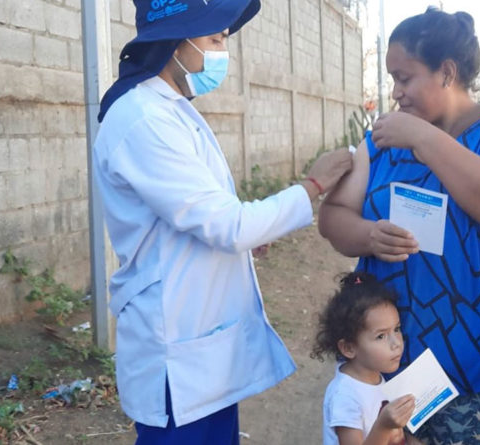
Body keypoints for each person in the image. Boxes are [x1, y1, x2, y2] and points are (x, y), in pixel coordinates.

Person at [92, 1, 352, 443]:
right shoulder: (143, 119)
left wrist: (251, 233)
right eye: (214, 39)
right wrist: (313, 184)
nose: (221, 52)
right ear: (174, 41)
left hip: (202, 350)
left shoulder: (170, 109)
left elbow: (203, 214)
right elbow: (226, 225)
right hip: (176, 355)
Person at [318, 7, 480, 443]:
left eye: (404, 78)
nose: (395, 93)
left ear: (446, 72)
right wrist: (368, 234)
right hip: (397, 360)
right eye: (392, 79)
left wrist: (424, 139)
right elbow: (333, 219)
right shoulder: (383, 138)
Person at [313, 272, 415, 445]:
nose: (396, 343)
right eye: (381, 336)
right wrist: (383, 426)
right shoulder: (345, 396)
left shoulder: (375, 378)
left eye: (396, 329)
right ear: (349, 348)